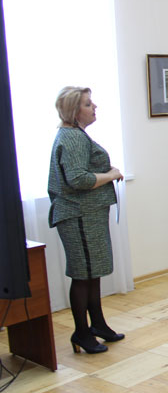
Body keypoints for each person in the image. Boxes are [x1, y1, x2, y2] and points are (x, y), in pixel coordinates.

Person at [48, 87, 124, 354]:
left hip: (86, 214)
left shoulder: (75, 135)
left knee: (92, 272)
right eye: (88, 104)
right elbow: (78, 179)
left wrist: (107, 172)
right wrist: (111, 175)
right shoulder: (72, 137)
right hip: (78, 215)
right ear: (74, 110)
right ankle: (81, 332)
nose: (94, 107)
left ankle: (98, 325)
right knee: (83, 275)